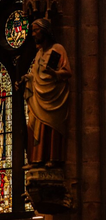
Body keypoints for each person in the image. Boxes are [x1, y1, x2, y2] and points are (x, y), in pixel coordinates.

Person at [18, 18, 72, 168]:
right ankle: (36, 160)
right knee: (33, 125)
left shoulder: (58, 49)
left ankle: (52, 159)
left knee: (50, 127)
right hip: (38, 96)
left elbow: (67, 72)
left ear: (45, 31)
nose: (33, 34)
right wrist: (25, 79)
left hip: (53, 96)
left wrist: (54, 74)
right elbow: (35, 74)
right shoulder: (39, 53)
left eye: (36, 30)